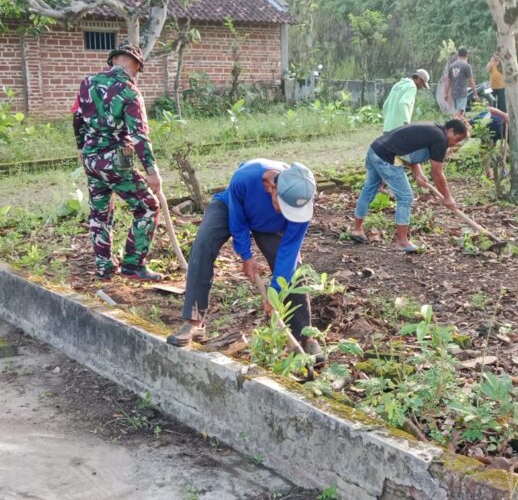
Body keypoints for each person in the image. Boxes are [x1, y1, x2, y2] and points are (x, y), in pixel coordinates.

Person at [166, 160, 321, 358]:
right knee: (204, 243)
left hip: (269, 225)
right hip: (230, 207)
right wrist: (246, 256)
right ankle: (194, 322)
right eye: (283, 204)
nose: (287, 212)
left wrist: (274, 293)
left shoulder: (301, 203)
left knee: (293, 271)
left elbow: (289, 250)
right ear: (271, 187)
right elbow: (237, 221)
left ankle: (304, 336)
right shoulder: (246, 177)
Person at [72, 42, 163, 282]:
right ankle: (133, 265)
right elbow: (139, 136)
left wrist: (82, 148)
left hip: (92, 160)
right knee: (148, 208)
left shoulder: (87, 83)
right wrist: (152, 172)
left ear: (113, 60)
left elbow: (78, 118)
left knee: (99, 213)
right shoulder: (130, 92)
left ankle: (104, 268)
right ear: (135, 65)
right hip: (116, 160)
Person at [349, 120, 470, 253]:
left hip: (375, 149)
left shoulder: (431, 128)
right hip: (386, 157)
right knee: (405, 197)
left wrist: (418, 173)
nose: (455, 144)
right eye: (457, 139)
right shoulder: (440, 139)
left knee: (369, 189)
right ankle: (402, 242)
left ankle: (357, 230)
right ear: (451, 131)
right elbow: (437, 173)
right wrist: (447, 197)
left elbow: (410, 148)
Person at [445, 47, 480, 116]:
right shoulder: (467, 66)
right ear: (467, 55)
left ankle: (455, 124)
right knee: (460, 114)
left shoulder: (451, 66)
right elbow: (471, 81)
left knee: (457, 112)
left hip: (454, 93)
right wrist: (475, 94)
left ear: (458, 55)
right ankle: (452, 124)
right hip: (462, 93)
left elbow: (448, 81)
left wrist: (445, 94)